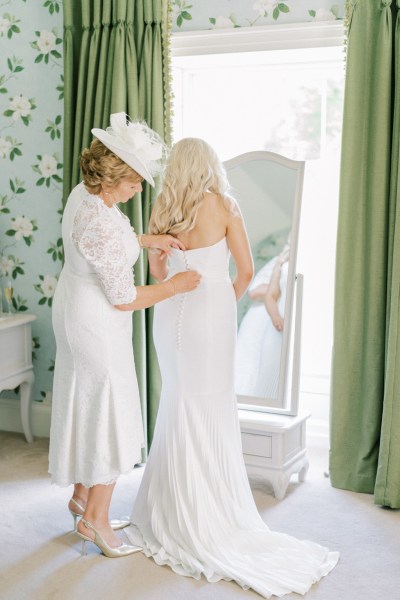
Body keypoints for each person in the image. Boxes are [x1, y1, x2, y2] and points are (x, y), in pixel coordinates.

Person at [125, 138, 338, 597]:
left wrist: (183, 281)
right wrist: (223, 304)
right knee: (210, 404)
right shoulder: (225, 205)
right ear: (209, 165)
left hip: (170, 312)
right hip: (211, 315)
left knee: (178, 399)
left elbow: (161, 275)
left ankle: (172, 508)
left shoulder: (164, 207)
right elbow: (245, 270)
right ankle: (207, 512)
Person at [48, 114, 200, 559]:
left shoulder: (87, 197)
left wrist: (149, 239)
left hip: (76, 306)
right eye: (135, 182)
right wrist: (174, 286)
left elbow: (109, 237)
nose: (139, 189)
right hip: (95, 319)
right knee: (109, 411)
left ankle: (81, 497)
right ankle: (95, 520)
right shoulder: (98, 218)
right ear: (115, 177)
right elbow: (125, 296)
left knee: (89, 401)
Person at [235, 245, 290, 399]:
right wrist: (283, 288)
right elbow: (253, 291)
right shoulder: (279, 260)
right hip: (260, 320)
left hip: (278, 318)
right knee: (250, 362)